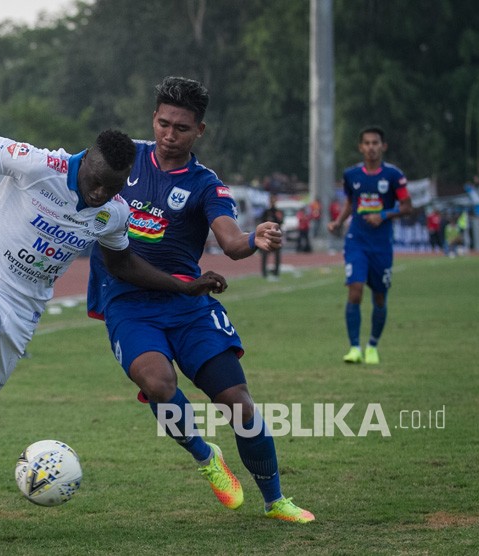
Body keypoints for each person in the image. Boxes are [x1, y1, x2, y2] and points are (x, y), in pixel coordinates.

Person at [0, 129, 227, 527]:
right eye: (95, 182)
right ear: (84, 160)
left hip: (23, 312)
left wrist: (184, 285)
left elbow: (122, 264)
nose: (99, 194)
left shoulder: (114, 212)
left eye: (112, 186)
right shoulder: (38, 165)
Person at [87, 76, 315, 523]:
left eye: (182, 128)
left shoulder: (205, 183)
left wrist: (255, 237)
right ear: (153, 119)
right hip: (129, 303)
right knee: (157, 383)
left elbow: (230, 242)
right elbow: (74, 178)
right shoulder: (123, 159)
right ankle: (205, 455)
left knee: (240, 405)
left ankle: (275, 500)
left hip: (189, 305)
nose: (170, 135)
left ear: (200, 131)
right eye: (163, 124)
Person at [328, 126, 412, 364]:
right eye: (367, 143)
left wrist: (383, 215)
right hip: (357, 241)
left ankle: (372, 345)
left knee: (379, 298)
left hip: (382, 245)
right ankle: (354, 348)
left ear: (383, 146)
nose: (371, 147)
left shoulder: (394, 175)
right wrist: (338, 222)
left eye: (376, 143)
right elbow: (350, 203)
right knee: (355, 290)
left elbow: (407, 206)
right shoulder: (351, 175)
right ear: (361, 147)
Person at [260, 194, 283, 280]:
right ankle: (264, 272)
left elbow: (281, 222)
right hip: (267, 236)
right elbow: (262, 223)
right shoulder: (266, 212)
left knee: (277, 255)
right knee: (265, 255)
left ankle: (276, 272)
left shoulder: (278, 212)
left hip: (276, 236)